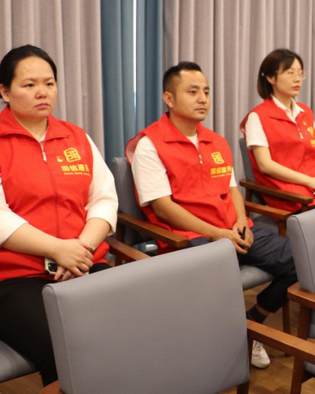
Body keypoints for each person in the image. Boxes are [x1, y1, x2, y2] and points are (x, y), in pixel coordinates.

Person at [0, 45, 118, 386]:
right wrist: (58, 249)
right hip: (12, 277)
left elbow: (104, 200)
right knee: (68, 349)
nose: (42, 92)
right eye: (29, 85)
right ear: (5, 91)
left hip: (83, 262)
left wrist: (81, 249)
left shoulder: (77, 138)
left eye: (49, 83)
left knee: (131, 328)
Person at [128, 61, 298, 369]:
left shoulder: (215, 140)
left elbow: (232, 190)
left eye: (206, 92)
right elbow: (164, 207)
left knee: (299, 261)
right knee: (218, 278)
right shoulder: (150, 145)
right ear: (169, 99)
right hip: (190, 239)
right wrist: (218, 234)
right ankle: (216, 352)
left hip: (232, 229)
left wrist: (240, 222)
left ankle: (253, 322)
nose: (203, 99)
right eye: (193, 92)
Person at [240, 48, 315, 212]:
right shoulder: (257, 116)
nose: (297, 79)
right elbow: (265, 165)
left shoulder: (305, 112)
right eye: (290, 73)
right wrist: (310, 181)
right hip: (288, 192)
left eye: (300, 73)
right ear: (270, 78)